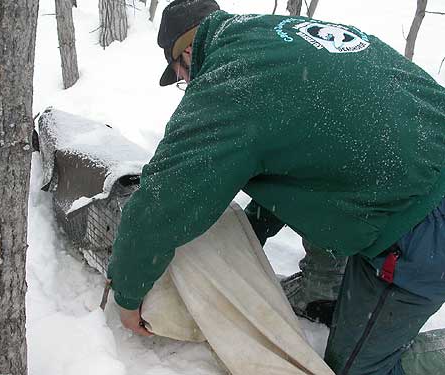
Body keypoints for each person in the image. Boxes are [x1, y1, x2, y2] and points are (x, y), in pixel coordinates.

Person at [107, 0, 445, 373]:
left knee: (356, 370)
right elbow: (300, 148)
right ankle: (326, 289)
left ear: (188, 52)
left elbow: (162, 201)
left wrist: (128, 293)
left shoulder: (231, 82)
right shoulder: (276, 36)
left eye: (180, 75)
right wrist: (247, 237)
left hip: (422, 225)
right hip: (414, 168)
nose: (186, 84)